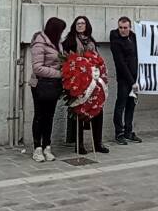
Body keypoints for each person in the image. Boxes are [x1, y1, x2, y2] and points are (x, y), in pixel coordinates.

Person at [62, 15, 109, 154]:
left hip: (93, 82)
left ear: (87, 25)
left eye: (83, 23)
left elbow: (97, 58)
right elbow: (66, 60)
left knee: (97, 110)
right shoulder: (70, 41)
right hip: (79, 81)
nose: (80, 25)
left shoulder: (91, 41)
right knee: (79, 112)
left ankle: (97, 142)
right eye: (78, 23)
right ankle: (79, 144)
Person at [29, 17, 66, 162]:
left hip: (54, 85)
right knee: (40, 116)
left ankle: (47, 146)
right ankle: (37, 148)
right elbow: (37, 68)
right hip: (41, 84)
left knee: (49, 116)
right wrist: (59, 73)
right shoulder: (40, 43)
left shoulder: (57, 43)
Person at [109, 16, 141, 144]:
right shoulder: (116, 40)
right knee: (120, 105)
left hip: (135, 77)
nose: (123, 30)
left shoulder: (133, 37)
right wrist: (131, 82)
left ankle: (128, 131)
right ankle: (119, 133)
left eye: (125, 28)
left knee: (131, 105)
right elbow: (120, 63)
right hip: (124, 79)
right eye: (120, 28)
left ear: (129, 28)